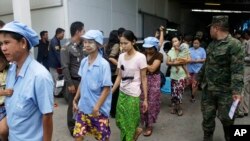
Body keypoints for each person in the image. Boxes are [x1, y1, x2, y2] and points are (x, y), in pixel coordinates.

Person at [0, 21, 54, 141]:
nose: (3, 48)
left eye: (7, 43)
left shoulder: (39, 76)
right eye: (1, 43)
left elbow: (47, 116)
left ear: (23, 43)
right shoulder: (12, 70)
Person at [198, 15, 244, 141]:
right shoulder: (212, 44)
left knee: (228, 120)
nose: (210, 31)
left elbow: (238, 70)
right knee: (207, 118)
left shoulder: (234, 45)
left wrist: (236, 91)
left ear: (216, 28)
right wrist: (197, 79)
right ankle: (207, 138)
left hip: (226, 92)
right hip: (209, 90)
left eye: (211, 28)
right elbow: (207, 64)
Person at [72, 30, 113, 141]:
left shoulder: (104, 65)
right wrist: (75, 99)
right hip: (83, 108)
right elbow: (82, 82)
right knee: (78, 136)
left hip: (98, 111)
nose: (87, 45)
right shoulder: (84, 62)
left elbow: (106, 89)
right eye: (85, 42)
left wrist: (96, 107)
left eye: (90, 42)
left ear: (98, 44)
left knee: (102, 138)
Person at [112, 30, 148, 141]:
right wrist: (111, 92)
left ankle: (131, 137)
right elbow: (119, 76)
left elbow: (144, 78)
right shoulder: (121, 56)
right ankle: (136, 131)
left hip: (133, 95)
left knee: (130, 123)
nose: (123, 46)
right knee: (119, 120)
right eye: (121, 43)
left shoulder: (140, 57)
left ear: (133, 42)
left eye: (125, 43)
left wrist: (145, 99)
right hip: (122, 93)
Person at [60, 21, 85, 136]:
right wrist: (69, 84)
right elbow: (65, 67)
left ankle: (82, 124)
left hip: (84, 81)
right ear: (77, 32)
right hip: (74, 81)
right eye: (83, 31)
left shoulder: (84, 45)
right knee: (72, 105)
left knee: (83, 104)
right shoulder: (66, 47)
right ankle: (72, 127)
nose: (84, 33)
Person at [140, 37, 163, 137]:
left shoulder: (159, 55)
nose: (148, 50)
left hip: (154, 80)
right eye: (146, 48)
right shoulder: (143, 54)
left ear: (155, 47)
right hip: (143, 78)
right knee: (142, 101)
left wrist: (141, 63)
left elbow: (153, 68)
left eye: (150, 48)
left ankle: (149, 125)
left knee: (152, 102)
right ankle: (142, 122)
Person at [166, 36, 190, 116]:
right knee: (173, 92)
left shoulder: (183, 50)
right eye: (173, 42)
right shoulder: (171, 51)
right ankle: (174, 107)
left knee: (179, 91)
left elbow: (188, 60)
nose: (174, 43)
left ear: (179, 41)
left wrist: (187, 74)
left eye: (176, 41)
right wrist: (175, 63)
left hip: (181, 75)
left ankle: (179, 107)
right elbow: (167, 62)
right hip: (173, 75)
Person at [104, 30, 120, 118]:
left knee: (108, 90)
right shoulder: (117, 45)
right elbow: (111, 57)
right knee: (115, 92)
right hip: (114, 71)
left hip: (108, 70)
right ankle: (113, 112)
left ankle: (109, 110)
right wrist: (120, 64)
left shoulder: (106, 45)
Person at [187, 37, 206, 103]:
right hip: (190, 69)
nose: (195, 44)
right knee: (190, 83)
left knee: (195, 84)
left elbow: (204, 59)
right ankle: (192, 93)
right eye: (194, 43)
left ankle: (192, 97)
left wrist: (197, 61)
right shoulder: (189, 49)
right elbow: (186, 58)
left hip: (198, 70)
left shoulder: (202, 50)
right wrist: (190, 60)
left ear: (199, 43)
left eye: (197, 43)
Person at [48, 27, 65, 96]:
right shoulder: (54, 41)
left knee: (55, 79)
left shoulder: (56, 40)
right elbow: (57, 53)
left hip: (53, 64)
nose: (63, 36)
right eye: (62, 34)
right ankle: (57, 93)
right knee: (57, 79)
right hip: (54, 64)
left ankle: (55, 93)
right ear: (58, 33)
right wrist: (62, 63)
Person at [0, 51, 13, 141]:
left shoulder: (11, 70)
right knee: (3, 131)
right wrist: (2, 92)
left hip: (9, 106)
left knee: (3, 130)